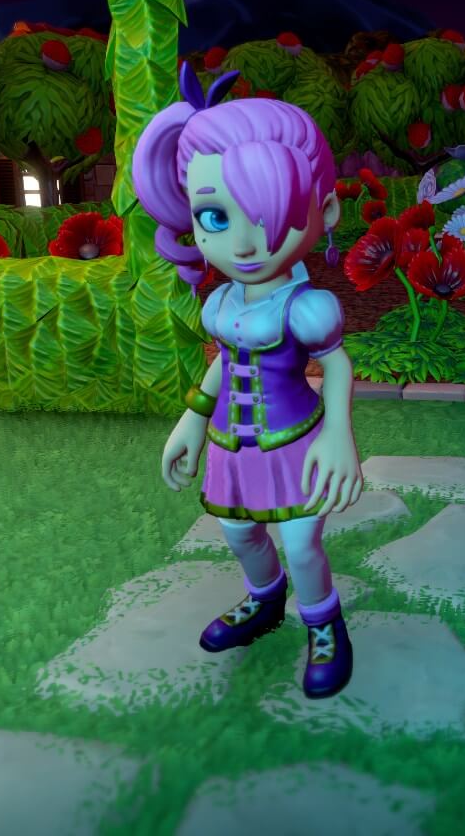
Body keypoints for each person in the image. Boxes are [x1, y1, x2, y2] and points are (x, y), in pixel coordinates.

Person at [133, 62, 364, 700]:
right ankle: (265, 600)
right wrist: (192, 419)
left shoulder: (307, 307)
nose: (244, 244)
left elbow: (337, 366)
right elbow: (225, 361)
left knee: (303, 543)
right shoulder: (223, 303)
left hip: (293, 440)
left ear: (324, 209)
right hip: (235, 444)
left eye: (270, 215)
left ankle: (324, 625)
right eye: (215, 217)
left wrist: (339, 437)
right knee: (239, 531)